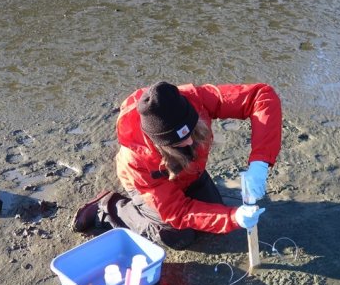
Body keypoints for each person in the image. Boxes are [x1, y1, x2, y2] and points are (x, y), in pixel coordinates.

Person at [72, 81, 282, 249]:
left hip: (191, 173)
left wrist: (260, 162)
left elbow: (261, 96)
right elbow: (177, 211)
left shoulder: (195, 99)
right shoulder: (136, 158)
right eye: (179, 141)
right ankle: (110, 208)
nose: (190, 142)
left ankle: (193, 190)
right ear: (160, 143)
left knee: (212, 221)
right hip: (149, 186)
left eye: (191, 131)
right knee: (178, 236)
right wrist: (232, 218)